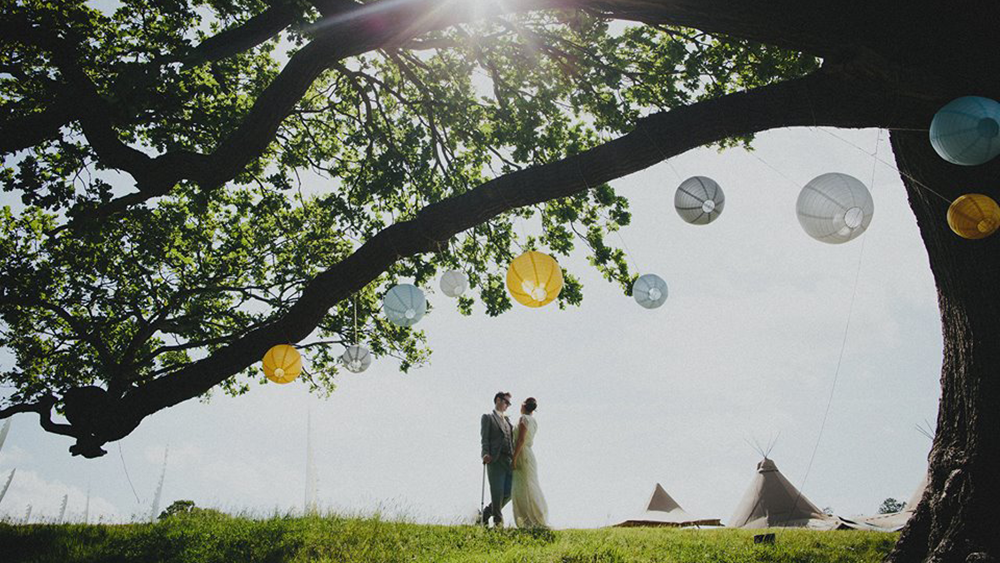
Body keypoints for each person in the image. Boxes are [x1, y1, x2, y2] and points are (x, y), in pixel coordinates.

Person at [512, 397, 549, 528]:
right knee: (529, 484)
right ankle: (533, 516)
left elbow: (520, 440)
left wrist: (514, 458)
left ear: (524, 406)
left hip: (522, 453)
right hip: (528, 453)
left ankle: (530, 518)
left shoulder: (523, 419)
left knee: (524, 486)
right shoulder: (533, 421)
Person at [479, 391, 514, 527]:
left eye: (509, 403)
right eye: (506, 402)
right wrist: (485, 453)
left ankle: (485, 513)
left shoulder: (508, 421)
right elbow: (484, 438)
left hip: (508, 460)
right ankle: (498, 522)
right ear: (498, 400)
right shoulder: (488, 417)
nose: (508, 405)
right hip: (495, 459)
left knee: (510, 491)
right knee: (497, 491)